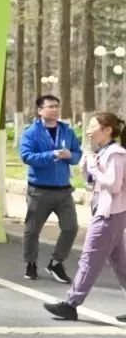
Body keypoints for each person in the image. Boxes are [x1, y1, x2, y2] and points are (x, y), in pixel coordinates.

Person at [44, 112, 126, 322]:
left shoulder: (116, 154)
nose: (88, 131)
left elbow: (113, 185)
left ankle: (71, 304)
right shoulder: (103, 152)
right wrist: (87, 168)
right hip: (109, 213)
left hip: (109, 215)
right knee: (121, 263)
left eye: (92, 126)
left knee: (89, 259)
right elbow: (94, 183)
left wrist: (94, 169)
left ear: (107, 130)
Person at [19, 94, 82, 282]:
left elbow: (77, 154)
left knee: (71, 228)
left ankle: (56, 263)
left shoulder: (67, 131)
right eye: (50, 106)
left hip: (63, 190)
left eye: (57, 106)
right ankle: (31, 263)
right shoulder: (31, 132)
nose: (55, 109)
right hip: (39, 190)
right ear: (40, 110)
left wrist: (70, 156)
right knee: (32, 230)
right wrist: (52, 154)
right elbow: (27, 156)